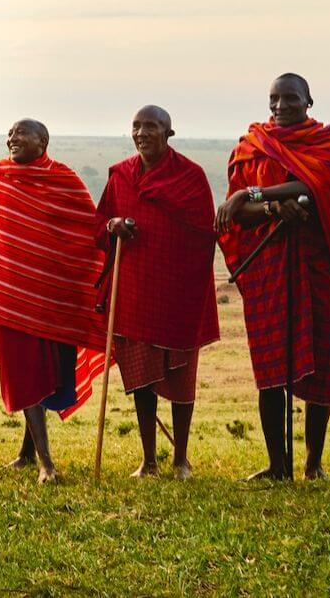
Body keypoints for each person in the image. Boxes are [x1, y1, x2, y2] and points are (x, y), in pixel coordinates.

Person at [0, 120, 108, 484]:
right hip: (12, 301)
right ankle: (45, 463)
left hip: (54, 301)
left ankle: (28, 452)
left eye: (20, 134)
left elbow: (88, 229)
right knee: (25, 377)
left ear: (43, 142)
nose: (12, 139)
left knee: (47, 378)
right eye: (9, 134)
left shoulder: (64, 180)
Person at [218, 73, 330, 481]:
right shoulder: (250, 146)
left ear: (309, 100)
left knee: (321, 361)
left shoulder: (329, 139)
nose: (280, 106)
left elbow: (319, 182)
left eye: (290, 98)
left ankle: (313, 464)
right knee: (271, 366)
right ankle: (278, 464)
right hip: (268, 265)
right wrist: (274, 209)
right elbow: (234, 214)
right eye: (274, 99)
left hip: (315, 261)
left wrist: (253, 194)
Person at [97, 106, 217, 479]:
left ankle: (180, 459)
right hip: (134, 291)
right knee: (141, 379)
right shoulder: (120, 175)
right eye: (136, 126)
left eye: (151, 126)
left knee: (181, 378)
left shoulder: (191, 177)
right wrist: (114, 225)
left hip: (179, 292)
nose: (142, 132)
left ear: (169, 133)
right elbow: (100, 224)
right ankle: (148, 460)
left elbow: (205, 237)